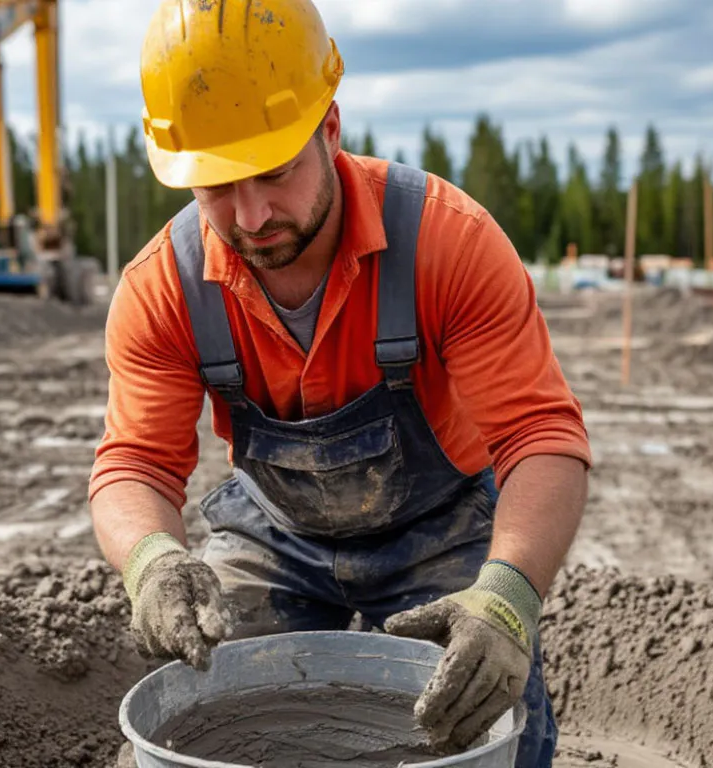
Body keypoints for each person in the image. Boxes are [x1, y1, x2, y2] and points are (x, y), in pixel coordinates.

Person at [89, 0, 591, 764]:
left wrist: (509, 597)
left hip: (442, 528)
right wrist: (152, 560)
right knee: (199, 704)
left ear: (328, 128)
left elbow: (541, 436)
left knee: (485, 710)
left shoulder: (446, 241)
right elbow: (134, 465)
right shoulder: (164, 286)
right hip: (275, 535)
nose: (251, 215)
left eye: (274, 172)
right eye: (216, 185)